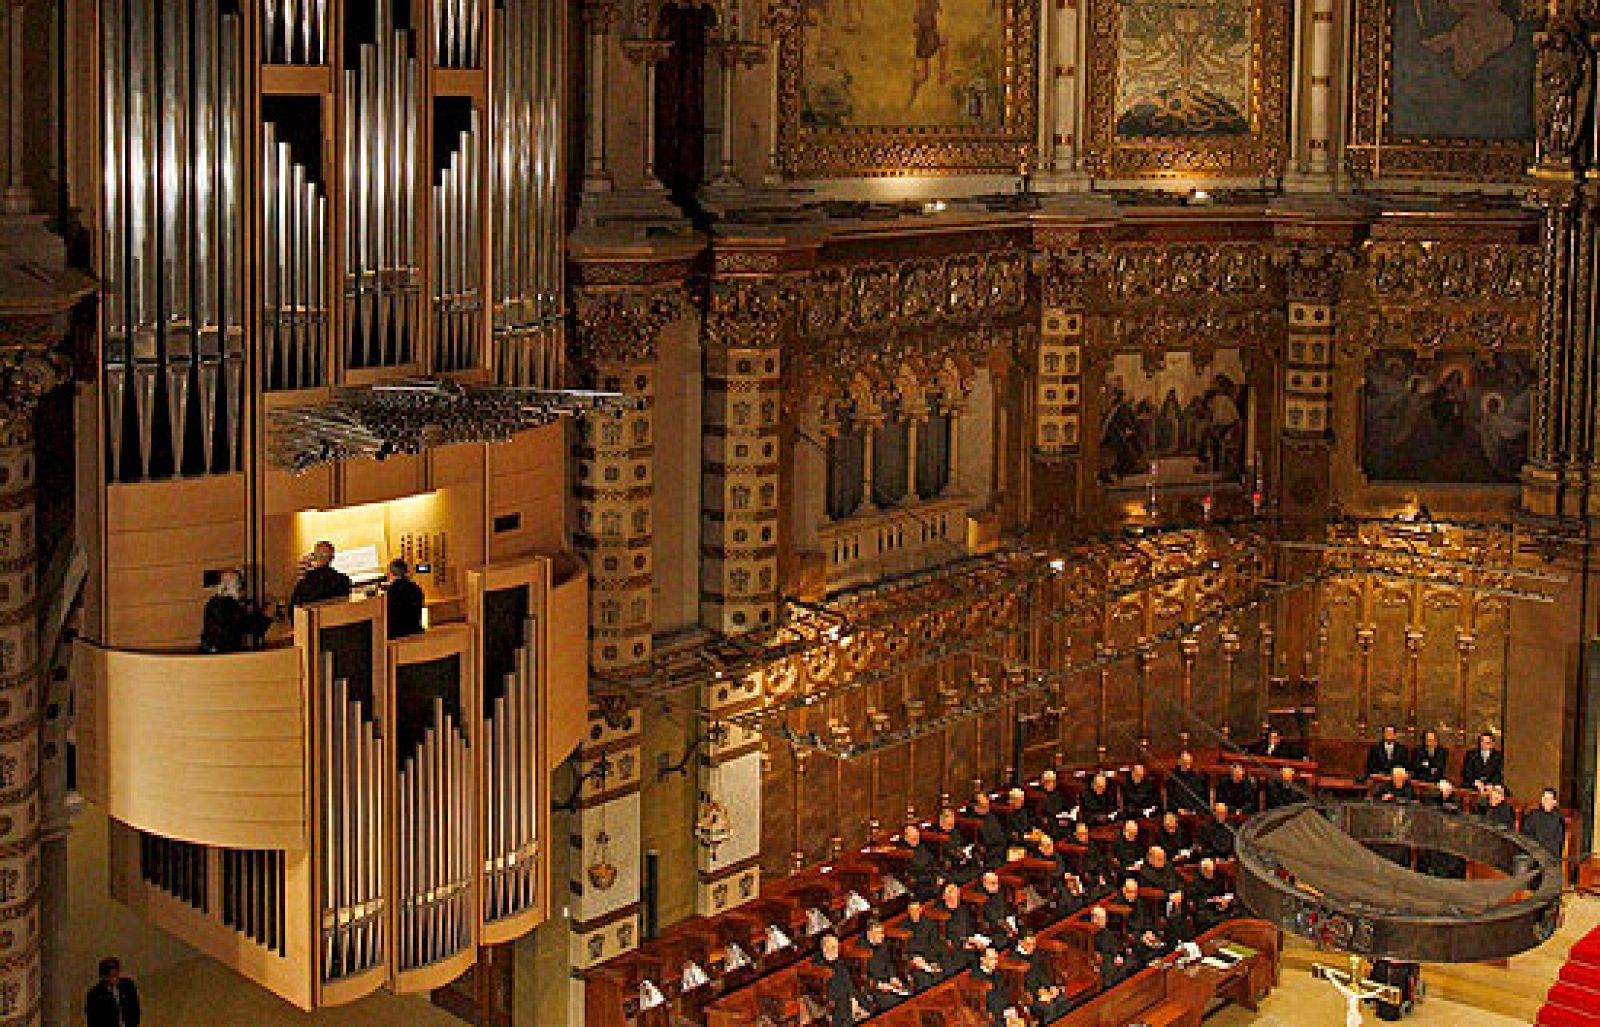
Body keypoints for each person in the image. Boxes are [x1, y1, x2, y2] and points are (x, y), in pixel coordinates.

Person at [200, 569, 275, 653]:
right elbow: (246, 625)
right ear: (225, 588)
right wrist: (266, 616)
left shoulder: (216, 604)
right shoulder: (225, 605)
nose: (241, 587)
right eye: (237, 584)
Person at [812, 934, 869, 1026]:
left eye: (837, 946)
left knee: (867, 1005)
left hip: (847, 995)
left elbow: (847, 980)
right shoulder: (818, 966)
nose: (837, 949)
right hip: (835, 1000)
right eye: (834, 947)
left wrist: (852, 998)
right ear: (825, 949)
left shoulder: (839, 961)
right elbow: (826, 990)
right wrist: (849, 1002)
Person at [1017, 932, 1072, 1023]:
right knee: (1049, 1007)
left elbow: (1042, 972)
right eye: (1029, 944)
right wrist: (1038, 993)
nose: (1032, 947)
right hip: (1030, 996)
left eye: (1033, 944)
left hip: (1044, 989)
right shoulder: (1015, 960)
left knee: (1063, 1001)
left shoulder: (1036, 953)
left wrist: (1050, 987)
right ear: (1021, 943)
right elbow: (1021, 985)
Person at [860, 919, 909, 1011]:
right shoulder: (861, 950)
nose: (882, 936)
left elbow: (889, 962)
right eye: (879, 933)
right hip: (875, 987)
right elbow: (862, 976)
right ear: (869, 934)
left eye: (882, 932)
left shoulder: (883, 944)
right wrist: (878, 984)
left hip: (888, 982)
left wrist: (893, 977)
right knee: (893, 1003)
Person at [1422, 780, 1467, 878]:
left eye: (1447, 792)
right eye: (1443, 791)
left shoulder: (1455, 800)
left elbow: (1459, 815)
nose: (1446, 793)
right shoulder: (1432, 797)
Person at [290, 540, 353, 609]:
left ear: (314, 556)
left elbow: (293, 609)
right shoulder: (343, 581)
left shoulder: (303, 585)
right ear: (332, 557)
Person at [904, 899, 948, 990]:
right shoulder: (904, 927)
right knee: (923, 979)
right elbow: (907, 949)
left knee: (942, 973)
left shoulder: (929, 924)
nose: (914, 913)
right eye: (912, 910)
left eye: (916, 910)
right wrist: (915, 959)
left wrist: (932, 961)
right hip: (915, 962)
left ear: (921, 910)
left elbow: (935, 943)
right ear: (908, 911)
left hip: (930, 957)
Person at [85, 957, 140, 1027]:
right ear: (103, 977)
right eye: (112, 976)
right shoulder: (95, 995)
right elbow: (93, 1022)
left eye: (117, 975)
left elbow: (135, 1010)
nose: (115, 979)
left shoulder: (127, 986)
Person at [1090, 904, 1135, 988]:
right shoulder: (1091, 934)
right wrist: (1114, 957)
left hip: (1113, 955)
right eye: (1102, 919)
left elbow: (1114, 944)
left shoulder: (1106, 931)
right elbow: (1097, 952)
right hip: (1105, 959)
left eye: (1104, 918)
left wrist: (1118, 954)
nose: (1105, 920)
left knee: (1131, 961)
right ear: (1094, 919)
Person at [1522, 788, 1567, 863]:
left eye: (1549, 799)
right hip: (1532, 852)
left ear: (1554, 802)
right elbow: (1525, 834)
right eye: (1544, 798)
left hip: (1549, 856)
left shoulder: (1559, 819)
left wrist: (1542, 853)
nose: (1546, 801)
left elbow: (1557, 844)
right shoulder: (1533, 815)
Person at [1191, 857, 1236, 931]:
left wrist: (1224, 900)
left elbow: (1223, 891)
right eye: (1208, 872)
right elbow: (1198, 902)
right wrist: (1213, 900)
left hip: (1220, 904)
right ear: (1203, 871)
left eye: (1212, 871)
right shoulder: (1196, 884)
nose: (1211, 874)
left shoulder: (1217, 878)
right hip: (1205, 910)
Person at [384, 558, 425, 638]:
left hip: (397, 634)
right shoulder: (416, 588)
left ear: (391, 574)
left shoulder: (391, 592)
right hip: (415, 630)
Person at [936, 807, 979, 883]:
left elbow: (963, 844)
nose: (952, 822)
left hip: (963, 864)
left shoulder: (955, 832)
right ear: (941, 821)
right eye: (949, 823)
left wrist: (967, 850)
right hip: (951, 870)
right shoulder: (938, 838)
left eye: (953, 818)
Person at [901, 824, 942, 900]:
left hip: (931, 877)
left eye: (917, 837)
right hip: (921, 883)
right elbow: (913, 873)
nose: (916, 840)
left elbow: (932, 862)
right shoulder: (904, 853)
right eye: (913, 838)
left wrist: (939, 876)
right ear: (906, 838)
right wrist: (934, 878)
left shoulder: (922, 846)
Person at [977, 870, 1018, 945]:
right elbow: (997, 920)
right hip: (994, 927)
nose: (997, 885)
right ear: (985, 884)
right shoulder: (983, 898)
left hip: (1007, 918)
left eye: (997, 882)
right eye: (993, 883)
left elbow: (1008, 907)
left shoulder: (1001, 890)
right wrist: (1010, 930)